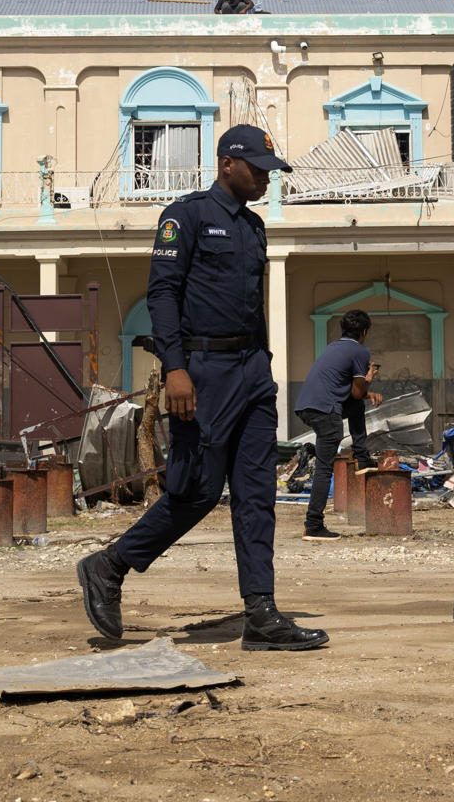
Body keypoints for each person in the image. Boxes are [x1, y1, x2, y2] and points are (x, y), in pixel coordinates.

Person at [78, 124, 327, 652]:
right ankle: (109, 565)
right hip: (202, 372)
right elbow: (163, 294)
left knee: (258, 496)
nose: (265, 178)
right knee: (195, 491)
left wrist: (263, 364)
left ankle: (261, 612)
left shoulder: (256, 228)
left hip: (253, 372)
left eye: (269, 169)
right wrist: (175, 368)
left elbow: (251, 303)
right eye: (257, 168)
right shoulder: (185, 217)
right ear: (226, 164)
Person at [294, 308, 383, 541]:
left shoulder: (333, 347)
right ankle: (313, 525)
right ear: (364, 332)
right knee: (324, 467)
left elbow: (354, 397)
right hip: (325, 410)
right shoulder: (360, 351)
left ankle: (363, 457)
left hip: (306, 405)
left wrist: (367, 392)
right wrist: (369, 377)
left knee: (356, 407)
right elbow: (356, 390)